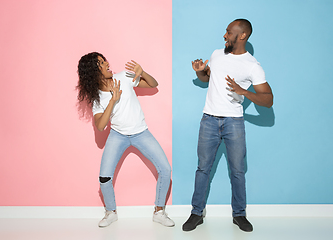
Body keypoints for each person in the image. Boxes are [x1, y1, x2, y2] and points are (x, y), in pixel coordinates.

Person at [182, 19, 273, 232]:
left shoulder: (252, 65)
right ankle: (197, 213)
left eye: (229, 32)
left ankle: (239, 215)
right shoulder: (216, 54)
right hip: (209, 120)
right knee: (203, 168)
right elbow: (207, 79)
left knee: (238, 171)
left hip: (234, 122)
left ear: (242, 36)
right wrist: (200, 71)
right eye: (225, 31)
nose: (224, 35)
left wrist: (244, 92)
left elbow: (268, 99)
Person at [77, 52, 174, 228]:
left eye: (104, 59)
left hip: (141, 132)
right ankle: (111, 211)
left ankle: (159, 211)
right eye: (101, 63)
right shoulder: (97, 97)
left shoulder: (123, 76)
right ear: (93, 71)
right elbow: (100, 126)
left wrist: (142, 72)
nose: (107, 63)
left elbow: (154, 84)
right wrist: (113, 101)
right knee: (104, 177)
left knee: (165, 169)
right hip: (117, 135)